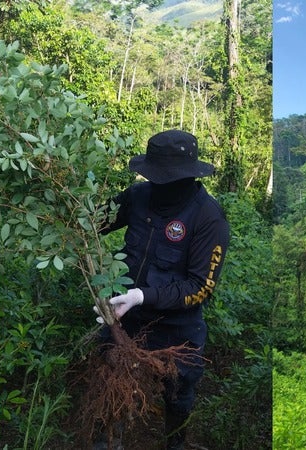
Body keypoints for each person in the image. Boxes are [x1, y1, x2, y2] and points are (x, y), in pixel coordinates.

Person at [94, 129, 230, 450]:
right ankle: (109, 442)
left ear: (188, 175)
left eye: (166, 178)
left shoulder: (208, 218)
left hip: (176, 332)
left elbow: (200, 288)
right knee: (111, 388)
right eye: (155, 177)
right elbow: (93, 222)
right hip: (125, 321)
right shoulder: (139, 196)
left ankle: (175, 444)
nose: (159, 184)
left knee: (178, 396)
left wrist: (142, 295)